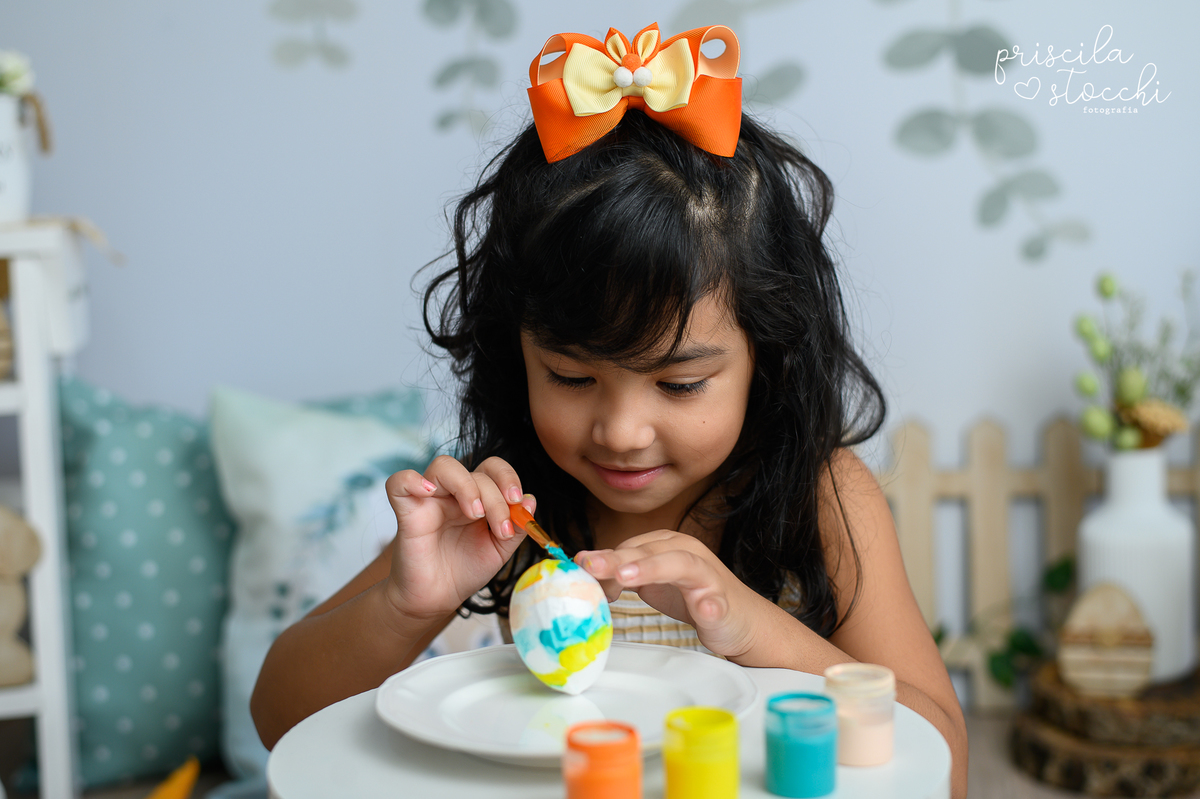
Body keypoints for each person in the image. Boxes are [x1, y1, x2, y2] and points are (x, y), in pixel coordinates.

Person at [251, 22, 968, 797]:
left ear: (770, 352)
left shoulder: (822, 496)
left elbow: (945, 761)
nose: (622, 433)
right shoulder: (514, 503)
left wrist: (754, 622)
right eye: (569, 375)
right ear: (512, 350)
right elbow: (278, 716)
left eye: (680, 384)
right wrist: (406, 602)